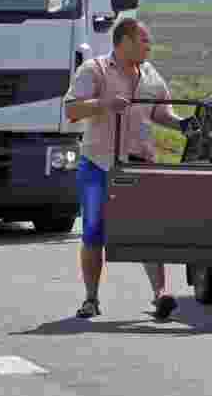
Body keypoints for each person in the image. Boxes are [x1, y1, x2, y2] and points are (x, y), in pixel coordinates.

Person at [63, 18, 197, 320]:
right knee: (93, 232)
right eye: (143, 40)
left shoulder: (150, 75)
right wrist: (104, 103)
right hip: (99, 164)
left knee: (149, 229)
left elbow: (161, 112)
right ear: (123, 41)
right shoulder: (94, 70)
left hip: (139, 165)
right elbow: (71, 109)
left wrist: (181, 124)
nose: (148, 46)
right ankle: (91, 299)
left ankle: (160, 294)